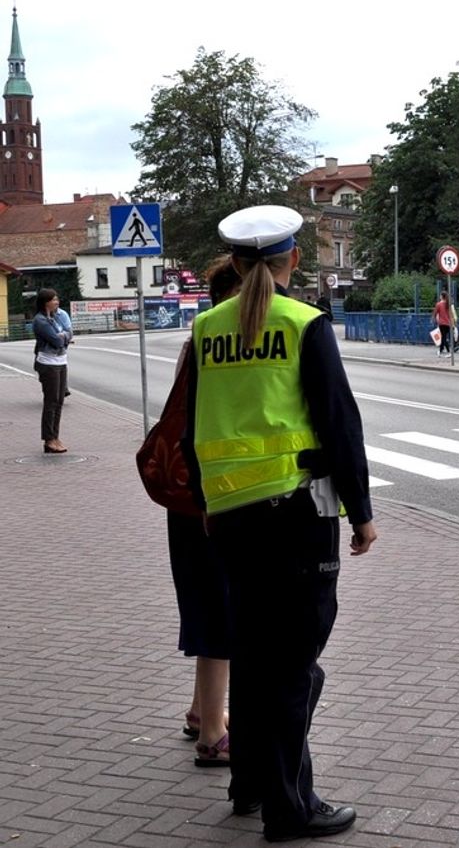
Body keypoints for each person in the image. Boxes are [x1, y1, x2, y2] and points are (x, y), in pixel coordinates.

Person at [183, 205, 377, 842]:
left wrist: (210, 504)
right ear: (293, 260)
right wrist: (362, 513)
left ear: (234, 265)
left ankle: (251, 784)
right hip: (296, 515)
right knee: (295, 666)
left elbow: (193, 429)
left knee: (258, 654)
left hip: (233, 519)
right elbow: (339, 423)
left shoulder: (206, 328)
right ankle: (290, 807)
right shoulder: (304, 323)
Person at [162, 256, 243, 768]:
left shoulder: (195, 346)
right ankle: (213, 735)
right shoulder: (226, 350)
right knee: (220, 610)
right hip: (217, 496)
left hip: (189, 493)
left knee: (204, 600)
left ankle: (200, 710)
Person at [32, 288, 71, 453]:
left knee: (59, 401)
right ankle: (48, 439)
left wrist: (64, 336)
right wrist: (63, 336)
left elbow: (69, 333)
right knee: (51, 402)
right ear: (46, 302)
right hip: (48, 363)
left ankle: (55, 436)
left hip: (61, 361)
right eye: (54, 299)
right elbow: (57, 341)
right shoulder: (40, 320)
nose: (57, 302)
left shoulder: (56, 317)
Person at [432, 290, 453, 357]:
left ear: (441, 296)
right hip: (448, 323)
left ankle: (448, 352)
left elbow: (435, 313)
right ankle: (440, 351)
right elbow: (450, 314)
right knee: (444, 337)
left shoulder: (439, 304)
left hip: (442, 323)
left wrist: (433, 319)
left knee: (443, 338)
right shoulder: (448, 304)